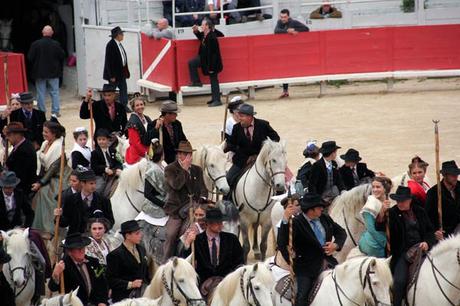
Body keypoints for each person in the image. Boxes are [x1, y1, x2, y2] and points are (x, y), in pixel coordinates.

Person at [277, 192, 347, 306]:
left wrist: (336, 245)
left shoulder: (325, 218)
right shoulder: (296, 223)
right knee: (302, 296)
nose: (322, 209)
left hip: (329, 262)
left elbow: (341, 233)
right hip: (306, 268)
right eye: (320, 207)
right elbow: (282, 241)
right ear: (311, 209)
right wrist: (285, 219)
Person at [376, 186, 435, 306]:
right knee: (399, 281)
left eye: (403, 200)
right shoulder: (391, 213)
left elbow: (430, 231)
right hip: (401, 253)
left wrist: (427, 243)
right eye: (398, 201)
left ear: (410, 200)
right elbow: (379, 227)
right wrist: (382, 212)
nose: (400, 203)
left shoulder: (420, 211)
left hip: (422, 249)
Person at [182, 207, 243, 299]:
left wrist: (232, 278)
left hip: (227, 281)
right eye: (217, 223)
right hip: (204, 283)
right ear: (208, 224)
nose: (221, 225)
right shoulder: (197, 241)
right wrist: (187, 244)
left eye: (221, 222)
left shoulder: (232, 239)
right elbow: (185, 262)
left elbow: (240, 262)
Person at [163, 140, 208, 262]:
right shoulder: (170, 169)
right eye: (185, 154)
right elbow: (176, 185)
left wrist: (202, 200)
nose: (189, 157)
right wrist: (183, 169)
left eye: (190, 154)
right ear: (179, 155)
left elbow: (203, 189)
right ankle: (166, 261)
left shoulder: (197, 170)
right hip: (177, 209)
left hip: (195, 207)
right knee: (171, 234)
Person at [225, 103, 280, 189]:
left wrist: (262, 152)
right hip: (242, 161)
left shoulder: (263, 125)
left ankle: (281, 198)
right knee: (228, 179)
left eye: (242, 116)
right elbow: (231, 144)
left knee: (280, 178)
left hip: (262, 159)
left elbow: (276, 138)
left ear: (250, 117)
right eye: (239, 116)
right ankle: (227, 200)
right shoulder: (236, 127)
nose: (239, 118)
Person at [31, 121, 70, 237]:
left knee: (45, 194)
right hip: (47, 175)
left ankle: (50, 227)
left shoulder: (58, 146)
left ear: (54, 134)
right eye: (43, 131)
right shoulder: (44, 144)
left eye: (46, 132)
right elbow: (43, 165)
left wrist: (41, 183)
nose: (43, 134)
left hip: (60, 176)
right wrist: (38, 179)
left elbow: (53, 168)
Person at [49, 232, 109, 305]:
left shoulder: (94, 262)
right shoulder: (63, 266)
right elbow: (52, 287)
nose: (82, 251)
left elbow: (103, 284)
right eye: (78, 249)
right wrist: (55, 274)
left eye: (83, 247)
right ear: (70, 252)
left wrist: (102, 301)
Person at [57, 168, 114, 234]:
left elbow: (110, 221)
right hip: (75, 239)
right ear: (83, 183)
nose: (94, 186)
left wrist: (101, 229)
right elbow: (64, 223)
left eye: (95, 183)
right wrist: (59, 216)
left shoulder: (104, 200)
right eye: (91, 183)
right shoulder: (70, 200)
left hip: (95, 239)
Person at [106, 220, 150, 302]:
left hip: (142, 296)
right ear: (127, 236)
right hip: (124, 298)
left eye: (140, 232)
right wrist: (131, 284)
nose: (140, 235)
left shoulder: (141, 249)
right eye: (137, 233)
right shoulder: (114, 255)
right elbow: (111, 280)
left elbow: (145, 273)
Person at [27, 25, 65, 117]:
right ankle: (55, 111)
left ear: (42, 33)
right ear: (52, 33)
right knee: (55, 92)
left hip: (39, 73)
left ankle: (41, 111)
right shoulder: (56, 44)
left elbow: (30, 57)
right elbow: (62, 55)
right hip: (54, 72)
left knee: (40, 93)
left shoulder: (36, 44)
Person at [274, 9, 310, 99]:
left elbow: (306, 29)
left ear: (288, 16)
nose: (283, 19)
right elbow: (276, 31)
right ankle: (285, 91)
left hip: (295, 50)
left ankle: (286, 91)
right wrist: (287, 31)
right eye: (281, 17)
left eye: (285, 17)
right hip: (284, 50)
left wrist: (294, 30)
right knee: (284, 70)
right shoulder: (279, 22)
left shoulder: (293, 22)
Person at [188, 19, 224, 107]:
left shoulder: (212, 36)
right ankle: (213, 97)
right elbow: (200, 37)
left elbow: (214, 54)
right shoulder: (206, 35)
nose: (201, 26)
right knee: (192, 63)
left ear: (207, 26)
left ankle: (217, 100)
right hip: (206, 59)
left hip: (213, 63)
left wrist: (211, 67)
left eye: (203, 25)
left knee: (214, 80)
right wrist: (196, 31)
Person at [358, 176, 392, 258]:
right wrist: (386, 244)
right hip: (373, 243)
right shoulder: (370, 204)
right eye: (373, 187)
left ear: (385, 189)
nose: (375, 190)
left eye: (378, 187)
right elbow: (372, 229)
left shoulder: (386, 200)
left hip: (386, 237)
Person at [425, 160, 460, 240]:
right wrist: (435, 232)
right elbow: (427, 217)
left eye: (456, 174)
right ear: (444, 175)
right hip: (444, 232)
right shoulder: (433, 193)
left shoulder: (459, 187)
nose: (456, 177)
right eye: (452, 175)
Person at [4, 122, 37, 197]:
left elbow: (20, 175)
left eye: (9, 135)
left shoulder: (24, 151)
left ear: (17, 135)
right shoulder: (21, 145)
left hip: (21, 189)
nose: (7, 138)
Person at [308, 140, 345, 206]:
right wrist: (316, 200)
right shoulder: (317, 166)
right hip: (322, 197)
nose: (336, 154)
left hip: (334, 195)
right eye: (335, 152)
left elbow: (339, 180)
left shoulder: (334, 163)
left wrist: (343, 190)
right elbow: (312, 184)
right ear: (332, 153)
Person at [103, 26, 130, 110]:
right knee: (110, 91)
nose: (123, 36)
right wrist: (111, 76)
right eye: (122, 34)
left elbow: (122, 58)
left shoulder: (119, 44)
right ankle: (107, 106)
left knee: (124, 89)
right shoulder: (110, 45)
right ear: (117, 35)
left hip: (121, 73)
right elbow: (109, 62)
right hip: (114, 74)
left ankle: (123, 106)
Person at [91, 128, 123, 198]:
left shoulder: (113, 150)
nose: (101, 141)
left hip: (114, 172)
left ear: (108, 140)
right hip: (101, 175)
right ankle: (96, 202)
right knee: (99, 188)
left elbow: (118, 162)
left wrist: (118, 169)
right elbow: (94, 167)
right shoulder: (94, 153)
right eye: (99, 139)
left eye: (103, 139)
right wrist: (104, 169)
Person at [125, 97, 154, 165]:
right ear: (133, 108)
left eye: (141, 104)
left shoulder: (146, 118)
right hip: (137, 154)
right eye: (137, 105)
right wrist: (147, 152)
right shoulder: (132, 122)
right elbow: (135, 143)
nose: (140, 107)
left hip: (148, 150)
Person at [144, 140, 166, 208]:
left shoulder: (163, 165)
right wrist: (163, 204)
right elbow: (147, 194)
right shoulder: (152, 170)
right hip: (157, 205)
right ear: (162, 155)